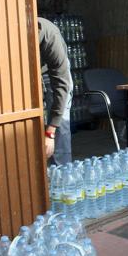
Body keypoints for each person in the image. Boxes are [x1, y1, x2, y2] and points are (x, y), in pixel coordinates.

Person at [38, 16, 73, 165]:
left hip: (52, 73)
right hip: (30, 73)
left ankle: (62, 175)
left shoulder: (50, 36)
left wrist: (50, 132)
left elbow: (61, 85)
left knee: (60, 125)